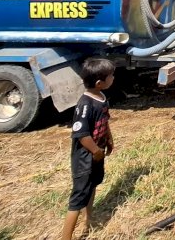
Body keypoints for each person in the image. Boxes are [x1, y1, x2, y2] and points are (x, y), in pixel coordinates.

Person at [62, 58, 115, 240]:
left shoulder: (101, 98)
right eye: (111, 76)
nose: (113, 78)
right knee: (78, 198)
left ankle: (88, 221)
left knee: (92, 186)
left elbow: (104, 121)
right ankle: (66, 236)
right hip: (85, 157)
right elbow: (82, 135)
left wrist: (109, 138)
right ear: (100, 83)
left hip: (97, 153)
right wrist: (96, 151)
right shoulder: (85, 105)